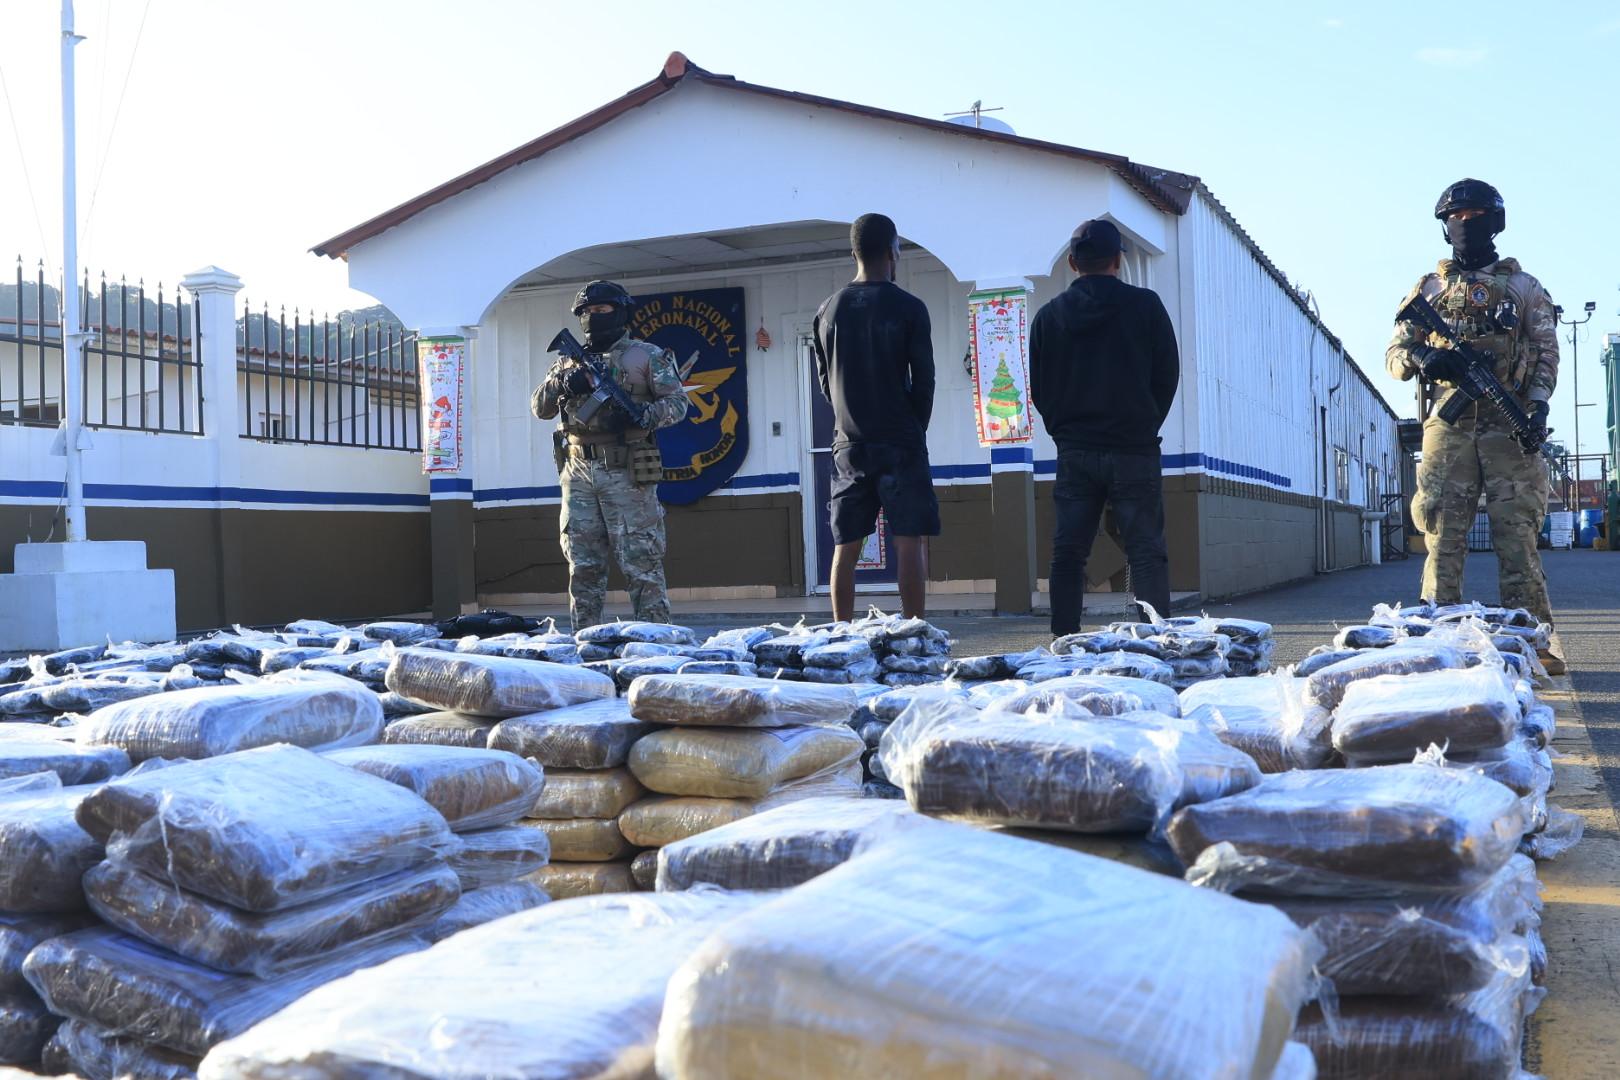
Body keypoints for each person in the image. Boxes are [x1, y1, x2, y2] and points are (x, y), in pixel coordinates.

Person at [1386, 178, 1558, 632]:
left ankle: (1533, 640)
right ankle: (1435, 639)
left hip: (1509, 423)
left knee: (1517, 541)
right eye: (1456, 218)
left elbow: (1546, 352)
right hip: (1449, 424)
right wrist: (1424, 356)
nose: (1465, 224)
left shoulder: (1523, 286)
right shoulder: (1428, 289)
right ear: (1445, 226)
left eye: (1475, 217)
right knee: (1441, 539)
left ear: (1494, 222)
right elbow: (1395, 356)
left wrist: (1538, 405)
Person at [1031, 218, 1179, 635]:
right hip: (1134, 448)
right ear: (1117, 260)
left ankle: (1064, 639)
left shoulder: (1048, 317)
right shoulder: (1146, 306)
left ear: (1073, 263)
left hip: (1075, 451)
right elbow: (1167, 375)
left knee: (1068, 552)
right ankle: (1156, 640)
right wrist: (1145, 423)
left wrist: (1064, 432)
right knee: (1145, 551)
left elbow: (1040, 388)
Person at [532, 280, 690, 631]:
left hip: (626, 470)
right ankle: (586, 639)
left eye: (601, 310)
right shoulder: (567, 361)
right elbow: (539, 408)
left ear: (619, 313)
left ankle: (654, 640)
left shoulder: (645, 355)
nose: (593, 316)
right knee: (583, 566)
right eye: (586, 311)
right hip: (577, 470)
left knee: (641, 562)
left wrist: (643, 414)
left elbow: (679, 404)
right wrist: (563, 383)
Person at [812, 213, 938, 622]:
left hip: (849, 442)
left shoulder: (827, 310)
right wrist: (914, 427)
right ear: (893, 250)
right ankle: (914, 631)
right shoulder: (910, 308)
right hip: (900, 439)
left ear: (854, 253)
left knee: (846, 545)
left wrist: (850, 418)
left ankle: (841, 636)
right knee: (908, 539)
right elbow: (925, 380)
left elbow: (826, 384)